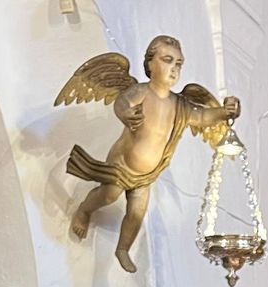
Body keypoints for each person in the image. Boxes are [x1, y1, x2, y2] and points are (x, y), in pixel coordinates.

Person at [61, 36, 241, 273]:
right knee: (108, 196)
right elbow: (122, 102)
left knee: (137, 212)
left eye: (179, 63)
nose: (174, 68)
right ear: (150, 63)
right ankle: (85, 210)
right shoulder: (142, 91)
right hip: (122, 165)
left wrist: (224, 112)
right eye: (167, 60)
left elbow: (203, 117)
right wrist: (126, 113)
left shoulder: (180, 105)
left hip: (147, 174)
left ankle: (123, 249)